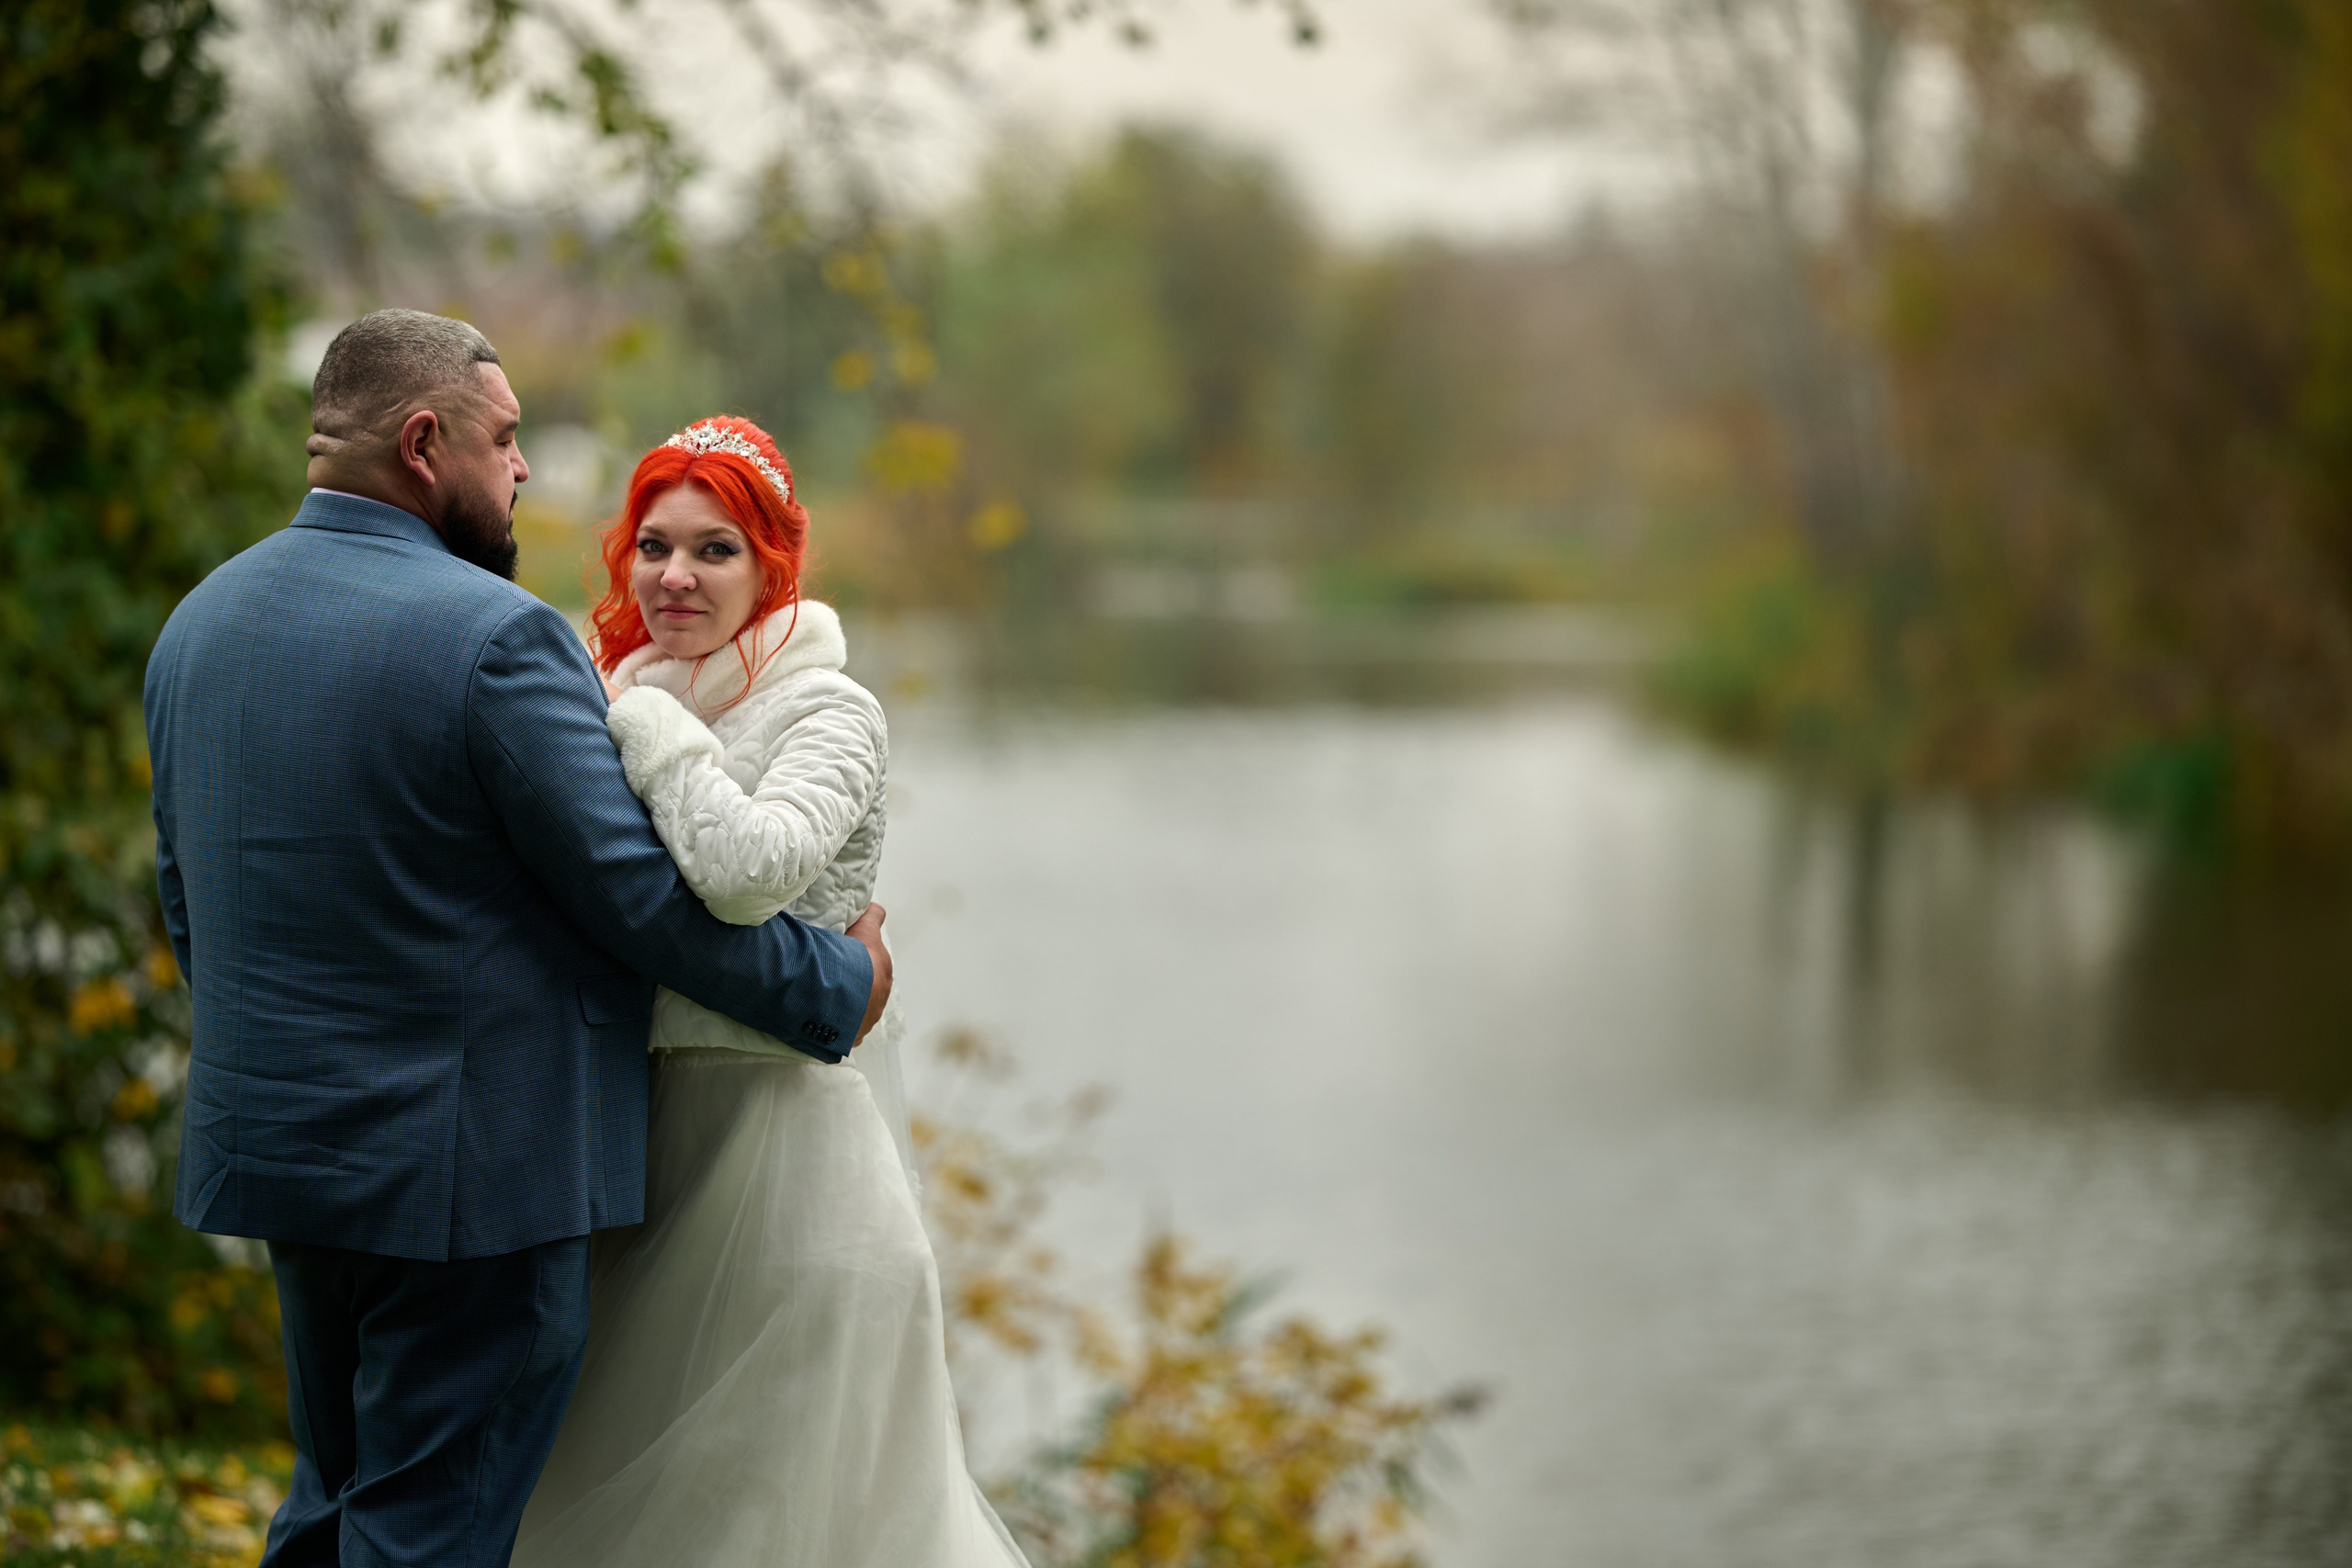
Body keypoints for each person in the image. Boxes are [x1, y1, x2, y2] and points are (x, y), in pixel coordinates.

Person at [142, 310, 893, 1568]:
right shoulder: (499, 638)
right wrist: (838, 979)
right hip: (472, 1182)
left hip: (287, 1153)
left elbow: (189, 900)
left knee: (331, 1500)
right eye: (502, 439)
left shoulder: (198, 626)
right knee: (428, 1528)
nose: (523, 467)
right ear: (423, 444)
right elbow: (636, 897)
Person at [512, 417, 1027, 1567]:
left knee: (763, 1519)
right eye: (654, 546)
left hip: (788, 1170)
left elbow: (750, 873)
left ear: (772, 566)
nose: (675, 576)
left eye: (715, 550)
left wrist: (652, 728)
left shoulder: (825, 710)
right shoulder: (608, 693)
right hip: (640, 1158)